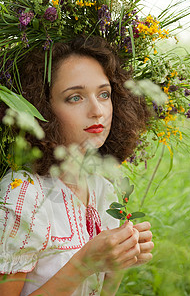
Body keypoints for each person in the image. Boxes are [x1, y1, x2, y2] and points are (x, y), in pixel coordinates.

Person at [0, 35, 154, 296]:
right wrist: (83, 264)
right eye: (75, 97)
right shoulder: (22, 196)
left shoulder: (102, 189)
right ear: (43, 108)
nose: (98, 110)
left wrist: (118, 262)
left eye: (104, 94)